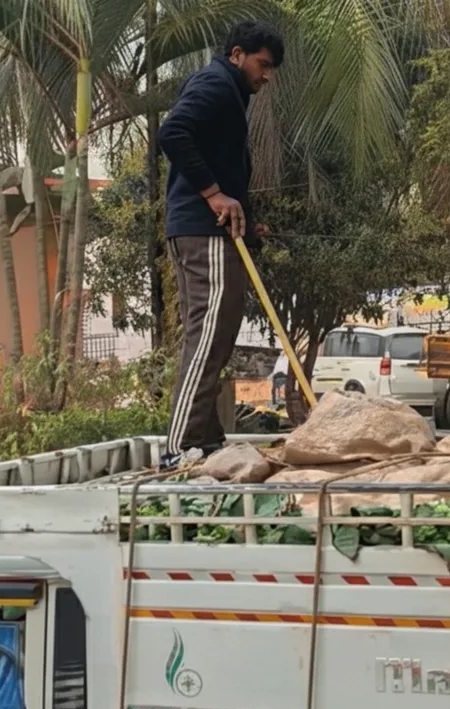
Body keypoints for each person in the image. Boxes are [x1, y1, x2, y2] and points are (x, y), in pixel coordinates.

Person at [156, 20, 285, 469]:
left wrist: (248, 226)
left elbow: (216, 162)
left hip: (208, 230)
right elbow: (172, 134)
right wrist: (213, 194)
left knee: (212, 334)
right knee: (209, 334)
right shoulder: (215, 83)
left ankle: (207, 439)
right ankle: (179, 447)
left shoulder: (227, 91)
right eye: (262, 64)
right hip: (201, 231)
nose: (267, 76)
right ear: (236, 55)